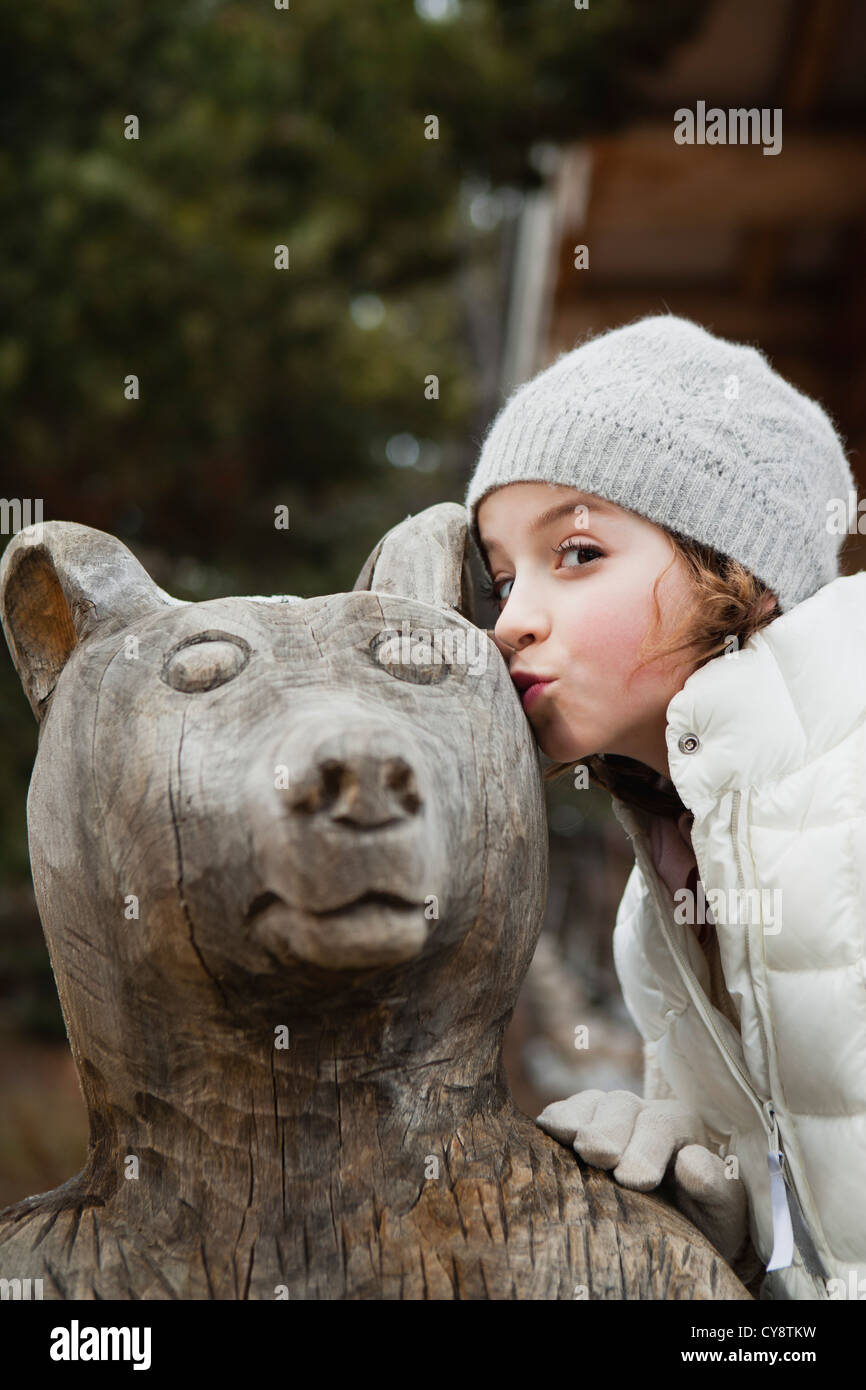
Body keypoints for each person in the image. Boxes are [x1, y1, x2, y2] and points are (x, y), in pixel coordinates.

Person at [463, 312, 865, 1301]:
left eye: (578, 552)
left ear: (738, 569)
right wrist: (722, 1206)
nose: (510, 617)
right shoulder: (655, 912)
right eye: (503, 574)